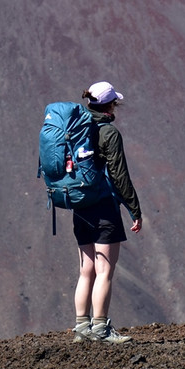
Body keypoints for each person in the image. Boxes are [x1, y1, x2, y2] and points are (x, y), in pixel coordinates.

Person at [71, 81, 143, 344]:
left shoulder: (75, 128)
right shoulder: (108, 133)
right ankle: (101, 328)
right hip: (104, 208)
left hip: (79, 206)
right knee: (104, 271)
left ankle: (81, 327)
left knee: (85, 270)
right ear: (110, 105)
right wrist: (134, 209)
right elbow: (119, 175)